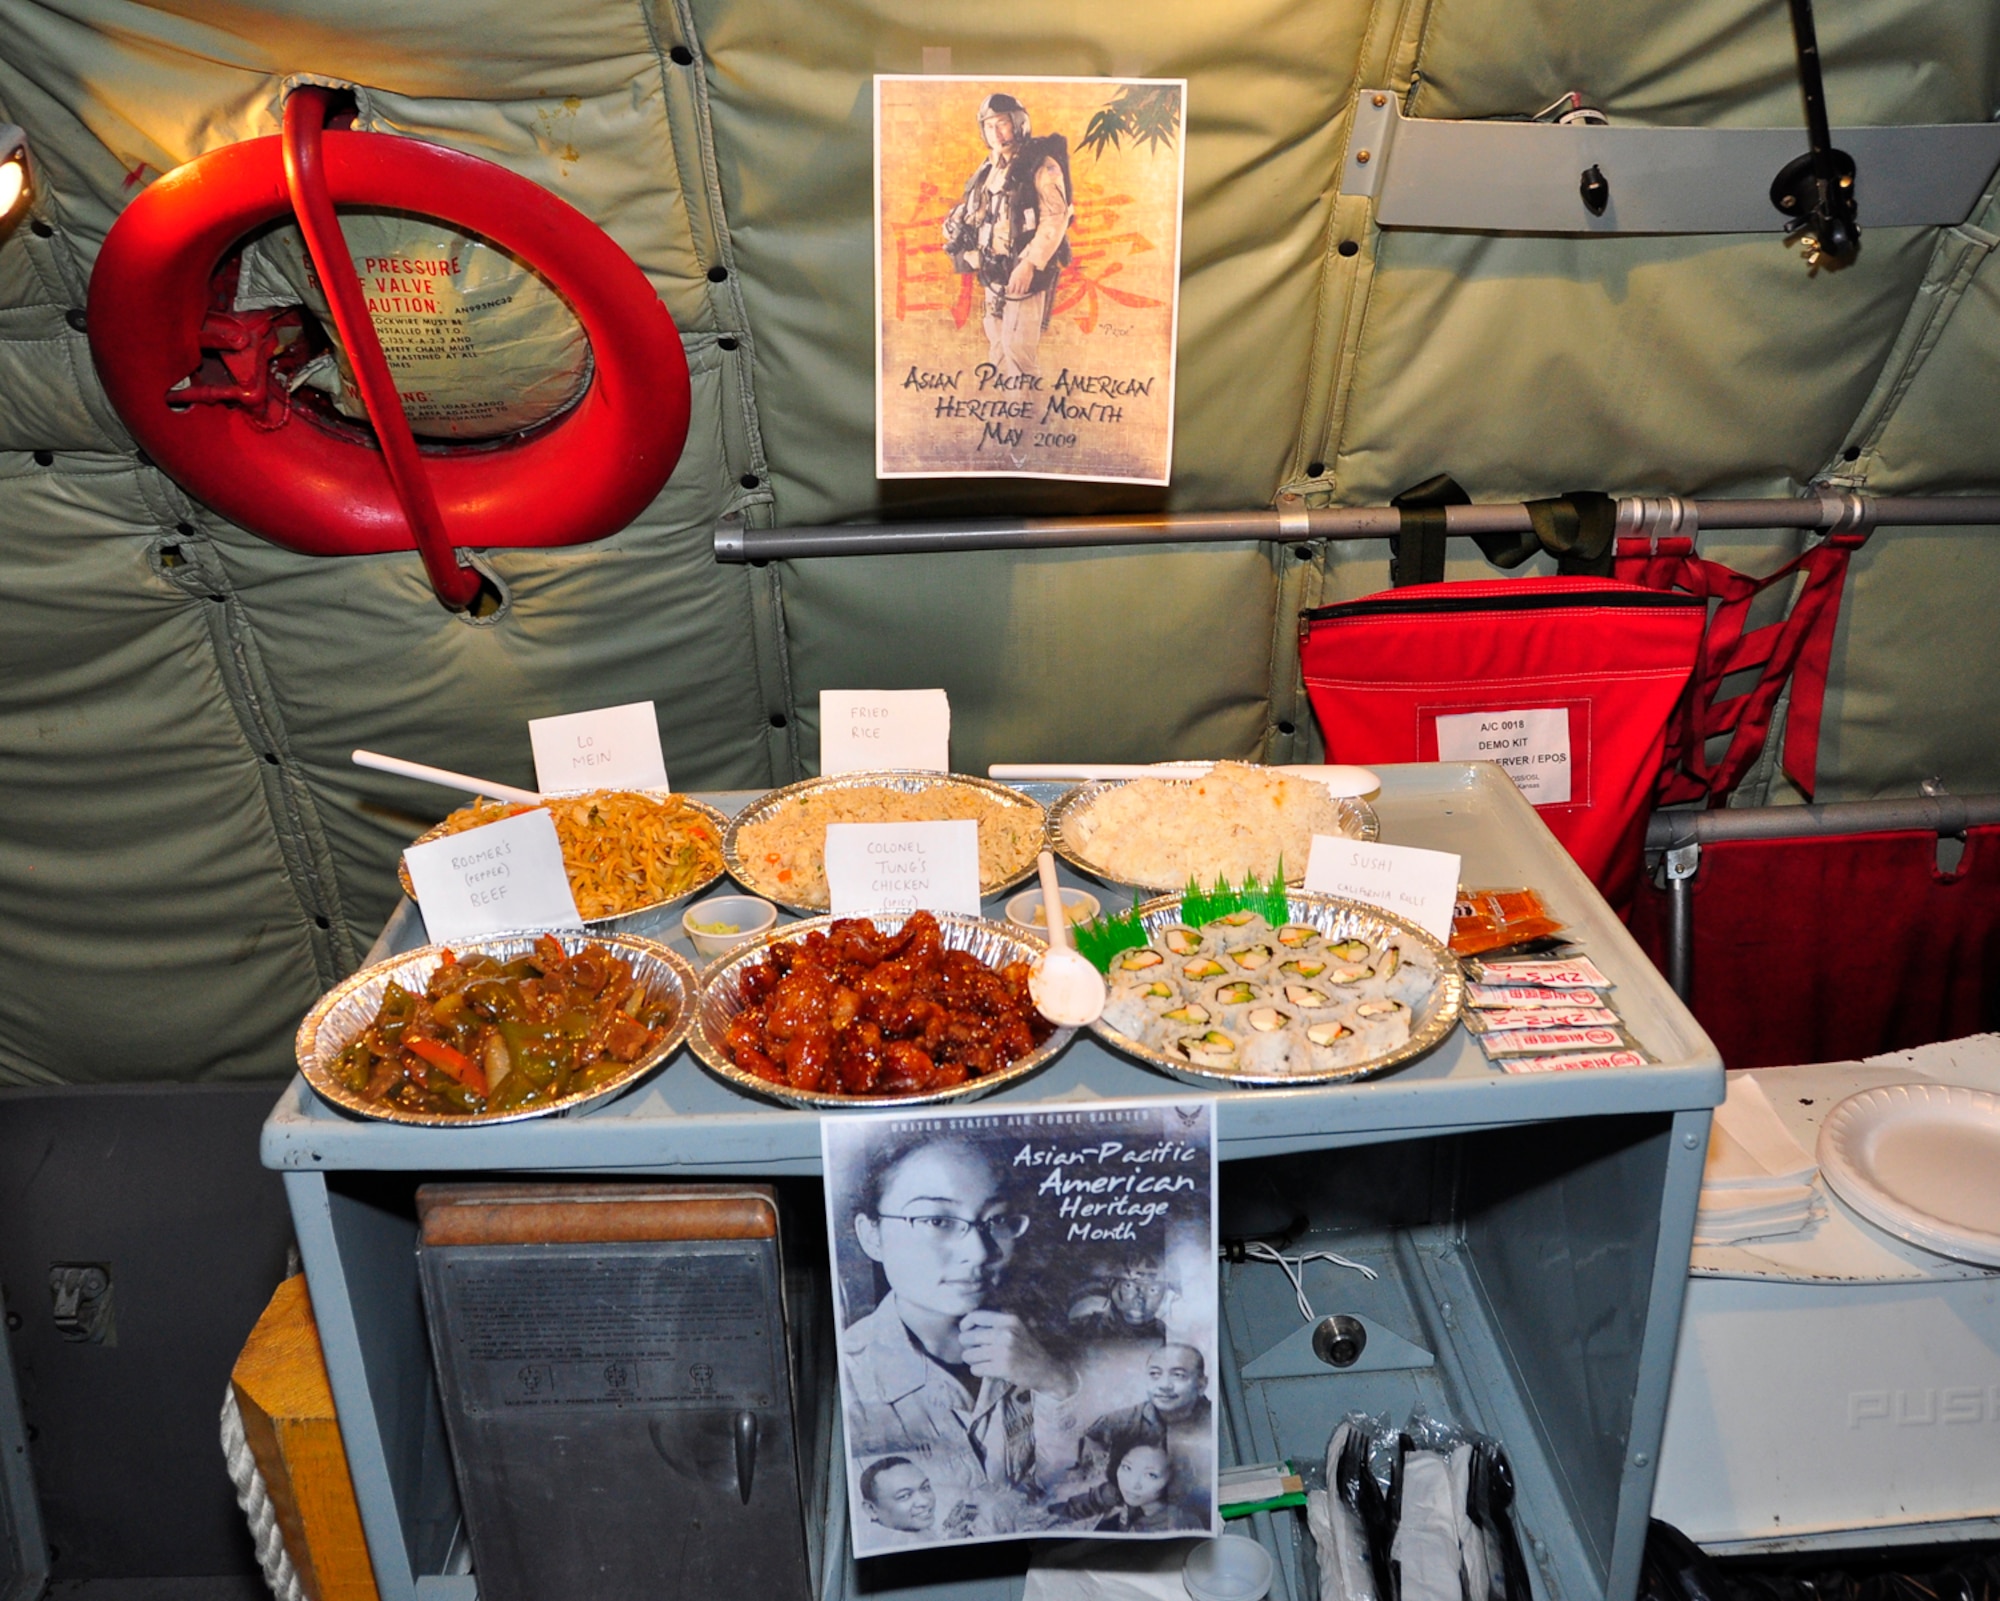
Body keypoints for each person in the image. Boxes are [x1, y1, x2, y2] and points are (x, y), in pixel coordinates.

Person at [840, 1136, 1076, 1505]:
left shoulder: (1045, 1344)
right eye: (938, 1220)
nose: (979, 1252)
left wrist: (1055, 1385)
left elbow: (1071, 1490)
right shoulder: (847, 1378)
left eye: (996, 1220)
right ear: (872, 1235)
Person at [941, 91, 1073, 378]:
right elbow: (979, 210)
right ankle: (1005, 415)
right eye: (989, 126)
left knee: (1020, 354)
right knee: (999, 350)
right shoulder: (989, 168)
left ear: (1018, 123)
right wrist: (956, 222)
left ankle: (1026, 418)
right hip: (994, 271)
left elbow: (1055, 218)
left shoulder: (1042, 166)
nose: (996, 133)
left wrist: (1029, 264)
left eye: (1002, 123)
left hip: (1024, 271)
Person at [1073, 1342, 1213, 1484]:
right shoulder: (1122, 1421)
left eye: (1178, 1375)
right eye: (1155, 1374)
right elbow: (1090, 1446)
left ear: (1201, 1384)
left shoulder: (1216, 1422)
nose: (1164, 1385)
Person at [1047, 1437, 1204, 1534]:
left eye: (1151, 1475)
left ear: (1173, 1480)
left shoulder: (1178, 1524)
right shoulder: (1125, 1493)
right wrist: (1048, 1517)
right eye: (1127, 1468)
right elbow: (1093, 1500)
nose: (1133, 1483)